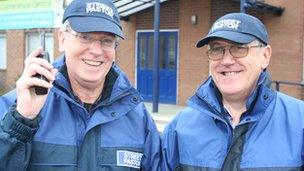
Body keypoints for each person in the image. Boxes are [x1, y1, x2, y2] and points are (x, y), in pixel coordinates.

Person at [0, 0, 161, 170]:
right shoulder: (16, 108)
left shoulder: (137, 117)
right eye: (85, 37)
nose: (97, 51)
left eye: (107, 41)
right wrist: (20, 124)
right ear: (62, 39)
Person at [161, 12, 304, 170]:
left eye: (239, 48)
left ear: (265, 56)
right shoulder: (180, 127)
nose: (227, 60)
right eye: (216, 49)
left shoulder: (299, 122)